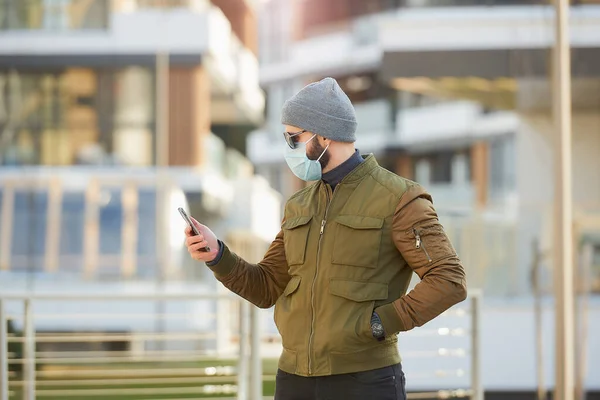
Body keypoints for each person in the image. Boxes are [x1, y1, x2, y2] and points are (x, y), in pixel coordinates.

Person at [185, 77, 467, 400]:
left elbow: (449, 280)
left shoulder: (398, 199)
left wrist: (382, 322)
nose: (289, 149)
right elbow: (265, 287)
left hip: (365, 382)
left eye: (294, 139)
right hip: (294, 380)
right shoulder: (299, 205)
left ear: (323, 135)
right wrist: (217, 255)